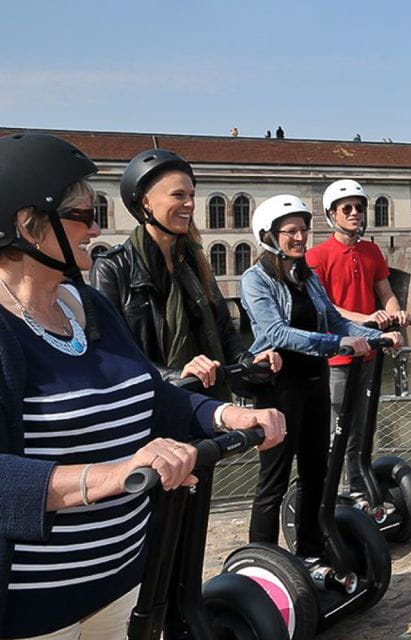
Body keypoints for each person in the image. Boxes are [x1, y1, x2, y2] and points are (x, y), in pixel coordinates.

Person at [0, 132, 285, 639]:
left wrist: (225, 415)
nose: (96, 227)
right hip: (34, 604)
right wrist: (113, 475)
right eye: (83, 215)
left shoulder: (87, 306)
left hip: (124, 581)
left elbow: (150, 394)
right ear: (28, 225)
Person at [241, 194, 401, 555]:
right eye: (290, 232)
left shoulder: (307, 277)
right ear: (268, 235)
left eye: (304, 230)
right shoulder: (256, 280)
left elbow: (335, 319)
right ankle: (261, 562)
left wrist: (378, 337)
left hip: (314, 382)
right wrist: (338, 343)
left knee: (317, 474)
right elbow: (277, 333)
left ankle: (310, 552)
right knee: (274, 480)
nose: (300, 238)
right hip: (279, 388)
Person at [91, 149, 280, 400]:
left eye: (191, 195)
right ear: (145, 202)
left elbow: (224, 331)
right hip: (158, 406)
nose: (190, 204)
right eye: (178, 195)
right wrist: (176, 374)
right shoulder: (114, 268)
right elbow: (115, 354)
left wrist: (250, 361)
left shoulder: (194, 261)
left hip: (209, 401)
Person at [305, 179, 410, 495]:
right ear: (332, 214)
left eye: (359, 208)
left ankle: (355, 489)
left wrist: (397, 314)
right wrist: (365, 318)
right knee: (337, 427)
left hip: (368, 353)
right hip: (336, 356)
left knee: (361, 429)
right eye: (347, 208)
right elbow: (323, 307)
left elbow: (386, 293)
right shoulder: (317, 256)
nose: (355, 213)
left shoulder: (372, 251)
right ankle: (327, 494)